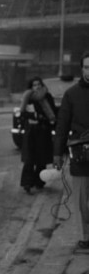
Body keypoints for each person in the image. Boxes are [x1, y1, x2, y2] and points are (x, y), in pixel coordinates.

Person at [54, 54, 89, 249]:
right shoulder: (71, 94)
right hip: (81, 154)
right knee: (81, 200)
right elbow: (62, 126)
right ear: (82, 69)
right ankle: (85, 238)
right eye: (87, 67)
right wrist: (57, 154)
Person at [19, 77, 57, 194]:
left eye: (39, 84)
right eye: (34, 85)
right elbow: (23, 113)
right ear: (31, 87)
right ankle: (27, 183)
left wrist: (43, 118)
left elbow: (53, 112)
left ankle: (39, 181)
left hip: (43, 131)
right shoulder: (28, 97)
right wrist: (32, 116)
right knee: (29, 159)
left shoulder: (48, 96)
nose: (37, 87)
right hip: (31, 132)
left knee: (42, 158)